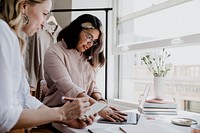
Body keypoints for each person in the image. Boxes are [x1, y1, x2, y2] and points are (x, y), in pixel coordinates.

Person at [0, 0, 93, 133]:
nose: (44, 23)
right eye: (44, 14)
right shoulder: (3, 33)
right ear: (24, 6)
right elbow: (3, 117)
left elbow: (24, 97)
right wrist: (61, 113)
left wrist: (64, 118)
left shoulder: (13, 38)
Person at [43, 14, 127, 128]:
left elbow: (92, 86)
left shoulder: (87, 56)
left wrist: (100, 100)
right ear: (77, 30)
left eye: (95, 41)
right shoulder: (54, 52)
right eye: (89, 37)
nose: (90, 44)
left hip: (83, 114)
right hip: (56, 117)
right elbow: (68, 87)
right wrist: (98, 107)